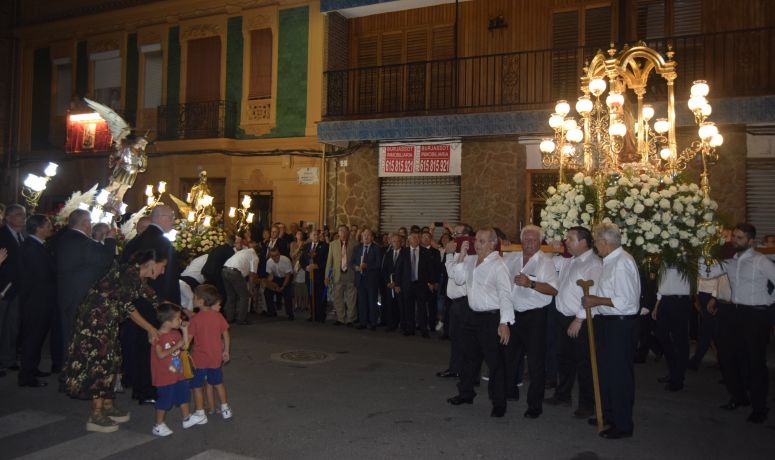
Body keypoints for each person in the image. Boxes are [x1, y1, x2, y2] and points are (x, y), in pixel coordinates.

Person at [62, 249, 165, 433]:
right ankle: (96, 413)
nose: (163, 271)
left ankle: (108, 405)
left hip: (107, 323)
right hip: (94, 324)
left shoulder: (138, 278)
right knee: (99, 364)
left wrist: (182, 312)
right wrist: (150, 328)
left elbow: (155, 300)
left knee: (112, 361)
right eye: (162, 267)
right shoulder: (128, 274)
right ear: (151, 264)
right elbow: (127, 307)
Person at [446, 228, 514, 418]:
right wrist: (461, 257)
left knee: (495, 363)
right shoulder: (470, 260)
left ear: (493, 243)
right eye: (476, 240)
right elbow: (458, 279)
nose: (477, 243)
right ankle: (466, 393)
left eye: (482, 241)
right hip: (471, 315)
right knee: (468, 358)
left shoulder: (498, 265)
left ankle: (499, 403)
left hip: (491, 317)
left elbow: (505, 294)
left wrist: (504, 322)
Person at [582, 223, 640, 439]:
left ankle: (623, 424)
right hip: (608, 322)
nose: (595, 246)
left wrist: (596, 300)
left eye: (596, 241)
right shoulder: (610, 261)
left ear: (604, 242)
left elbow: (628, 302)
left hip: (620, 324)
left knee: (619, 376)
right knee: (606, 373)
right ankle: (608, 415)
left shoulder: (622, 263)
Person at [718, 222, 775, 424]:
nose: (735, 240)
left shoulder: (761, 261)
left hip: (756, 314)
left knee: (755, 363)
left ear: (751, 241)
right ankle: (739, 396)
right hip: (736, 312)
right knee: (729, 358)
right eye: (734, 236)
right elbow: (709, 272)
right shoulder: (731, 260)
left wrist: (769, 302)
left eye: (740, 237)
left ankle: (760, 407)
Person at [503, 225, 558, 419]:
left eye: (534, 240)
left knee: (535, 362)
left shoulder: (546, 262)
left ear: (540, 242)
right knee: (510, 356)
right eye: (526, 239)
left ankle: (535, 404)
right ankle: (510, 391)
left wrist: (531, 283)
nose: (529, 243)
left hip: (535, 317)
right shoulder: (512, 259)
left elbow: (553, 290)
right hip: (513, 315)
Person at [546, 226, 601, 419]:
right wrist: (552, 249)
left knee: (583, 363)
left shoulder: (593, 264)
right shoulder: (571, 260)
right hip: (562, 317)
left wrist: (579, 319)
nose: (565, 241)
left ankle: (587, 404)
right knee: (564, 359)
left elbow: (592, 295)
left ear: (584, 242)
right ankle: (563, 395)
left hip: (580, 320)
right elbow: (549, 262)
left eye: (570, 238)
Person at [55, 209, 116, 371]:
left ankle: (68, 371)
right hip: (79, 295)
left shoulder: (65, 238)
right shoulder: (81, 241)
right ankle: (74, 373)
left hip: (67, 293)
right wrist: (110, 240)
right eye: (89, 221)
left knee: (68, 334)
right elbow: (105, 260)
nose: (91, 225)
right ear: (83, 223)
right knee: (76, 336)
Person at [150, 303, 207, 437]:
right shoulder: (157, 336)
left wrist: (185, 330)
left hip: (178, 373)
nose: (180, 320)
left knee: (183, 395)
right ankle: (158, 425)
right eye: (177, 319)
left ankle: (186, 418)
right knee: (165, 400)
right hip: (164, 376)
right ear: (167, 322)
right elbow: (161, 355)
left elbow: (185, 346)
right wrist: (177, 347)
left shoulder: (175, 333)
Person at [17, 215, 56, 387]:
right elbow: (42, 275)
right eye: (47, 225)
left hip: (40, 299)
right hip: (35, 301)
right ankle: (27, 376)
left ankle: (32, 368)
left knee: (37, 337)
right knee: (32, 338)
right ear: (38, 228)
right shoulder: (31, 248)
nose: (50, 228)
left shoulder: (37, 245)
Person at [187, 285, 232, 421]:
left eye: (194, 297)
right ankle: (226, 409)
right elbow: (226, 334)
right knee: (218, 383)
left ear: (201, 301)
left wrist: (180, 347)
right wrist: (226, 351)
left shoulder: (195, 320)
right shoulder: (218, 316)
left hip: (199, 360)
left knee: (197, 386)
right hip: (215, 358)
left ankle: (200, 413)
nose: (192, 299)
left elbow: (187, 341)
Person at [436, 223, 474, 379]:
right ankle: (455, 368)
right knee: (455, 337)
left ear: (466, 236)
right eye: (454, 234)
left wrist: (449, 254)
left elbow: (454, 275)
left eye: (457, 234)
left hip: (465, 302)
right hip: (455, 302)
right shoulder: (458, 252)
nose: (454, 238)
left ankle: (468, 372)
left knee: (466, 339)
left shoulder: (470, 254)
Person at [652, 266, 692, 392]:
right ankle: (674, 371)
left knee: (681, 342)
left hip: (680, 301)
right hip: (665, 301)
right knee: (661, 335)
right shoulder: (664, 258)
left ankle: (678, 379)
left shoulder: (686, 258)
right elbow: (662, 283)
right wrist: (657, 305)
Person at [0, 204, 27, 375]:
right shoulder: (2, 235)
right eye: (18, 215)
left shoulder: (22, 236)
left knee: (12, 326)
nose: (23, 218)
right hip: (4, 287)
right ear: (8, 218)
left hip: (18, 288)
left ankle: (8, 358)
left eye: (24, 215)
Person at [404, 232, 441, 337]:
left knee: (422, 309)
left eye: (417, 237)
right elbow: (400, 269)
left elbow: (430, 269)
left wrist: (432, 282)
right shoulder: (404, 252)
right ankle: (410, 329)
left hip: (421, 284)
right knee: (409, 308)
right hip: (408, 284)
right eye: (413, 238)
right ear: (409, 240)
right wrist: (398, 283)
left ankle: (423, 330)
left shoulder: (425, 251)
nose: (416, 239)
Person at [325, 225, 357, 326]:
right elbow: (329, 261)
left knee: (351, 299)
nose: (342, 232)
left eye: (344, 230)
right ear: (338, 233)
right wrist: (326, 276)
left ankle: (350, 319)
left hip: (350, 275)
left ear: (348, 232)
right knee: (338, 298)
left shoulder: (355, 244)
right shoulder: (333, 244)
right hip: (337, 275)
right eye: (340, 231)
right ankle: (340, 318)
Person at [222, 240, 259, 324]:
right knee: (244, 296)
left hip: (224, 270)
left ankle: (229, 318)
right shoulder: (255, 256)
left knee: (230, 295)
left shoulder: (243, 251)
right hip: (235, 273)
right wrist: (251, 288)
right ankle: (241, 319)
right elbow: (252, 274)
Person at [352, 229, 382, 330]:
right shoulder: (357, 248)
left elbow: (378, 264)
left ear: (372, 237)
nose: (365, 237)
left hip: (371, 279)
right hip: (360, 279)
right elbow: (352, 262)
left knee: (372, 302)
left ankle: (373, 323)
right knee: (361, 301)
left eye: (368, 235)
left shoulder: (377, 248)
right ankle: (363, 322)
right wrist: (356, 267)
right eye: (364, 235)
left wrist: (367, 266)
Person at [381, 233, 410, 332]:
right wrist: (387, 282)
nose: (396, 243)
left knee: (402, 306)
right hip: (390, 285)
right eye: (394, 241)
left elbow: (406, 271)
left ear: (401, 242)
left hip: (400, 285)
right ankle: (391, 324)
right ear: (391, 242)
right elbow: (384, 270)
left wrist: (397, 284)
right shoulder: (388, 254)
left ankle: (403, 326)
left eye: (398, 241)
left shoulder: (406, 254)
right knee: (390, 306)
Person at [301, 229, 329, 323]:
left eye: (317, 235)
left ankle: (321, 316)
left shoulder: (325, 246)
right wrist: (306, 267)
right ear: (310, 236)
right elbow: (302, 260)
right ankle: (313, 314)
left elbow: (327, 261)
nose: (315, 236)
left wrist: (317, 266)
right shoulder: (306, 246)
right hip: (309, 275)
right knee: (311, 295)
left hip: (319, 275)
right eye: (313, 235)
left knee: (320, 296)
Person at [265, 247, 295, 320]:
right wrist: (270, 285)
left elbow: (288, 276)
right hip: (276, 278)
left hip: (286, 277)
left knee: (287, 294)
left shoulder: (286, 260)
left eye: (276, 255)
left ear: (279, 254)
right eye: (272, 256)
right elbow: (271, 276)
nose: (275, 257)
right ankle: (272, 312)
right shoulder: (269, 262)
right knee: (267, 292)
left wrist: (283, 287)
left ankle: (290, 314)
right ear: (270, 256)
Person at [290, 230, 309, 316]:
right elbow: (292, 255)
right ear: (295, 236)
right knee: (297, 286)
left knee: (304, 286)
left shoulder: (306, 244)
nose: (299, 235)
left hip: (304, 267)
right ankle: (297, 304)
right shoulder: (293, 244)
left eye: (301, 233)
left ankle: (305, 305)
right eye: (298, 234)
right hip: (296, 267)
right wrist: (299, 247)